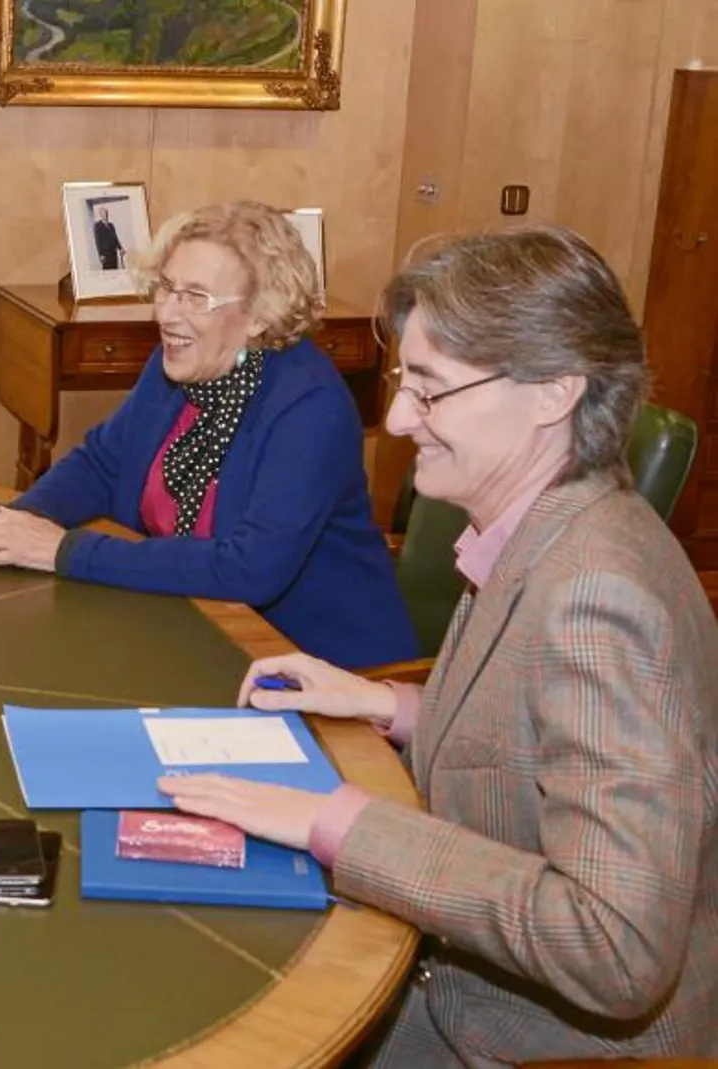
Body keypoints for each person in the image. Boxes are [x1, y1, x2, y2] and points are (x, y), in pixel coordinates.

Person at [161, 227, 718, 1066]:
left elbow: (616, 946)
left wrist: (334, 821)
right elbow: (540, 734)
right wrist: (392, 704)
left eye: (430, 390)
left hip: (516, 1041)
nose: (394, 419)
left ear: (553, 392)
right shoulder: (551, 529)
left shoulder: (598, 597)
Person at [0, 200, 416, 670]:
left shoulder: (309, 407)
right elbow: (102, 464)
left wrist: (63, 550)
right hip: (190, 637)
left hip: (321, 670)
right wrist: (18, 522)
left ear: (259, 315)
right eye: (167, 288)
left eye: (197, 296)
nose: (168, 315)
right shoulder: (179, 366)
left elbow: (248, 570)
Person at [93, 205, 123, 270]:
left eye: (106, 213)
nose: (105, 215)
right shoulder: (97, 225)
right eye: (103, 213)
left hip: (113, 253)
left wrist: (120, 248)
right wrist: (101, 254)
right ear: (100, 215)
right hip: (105, 254)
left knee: (115, 269)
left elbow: (115, 238)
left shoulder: (111, 225)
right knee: (107, 270)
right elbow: (98, 241)